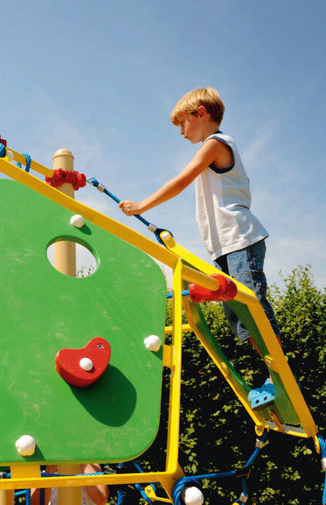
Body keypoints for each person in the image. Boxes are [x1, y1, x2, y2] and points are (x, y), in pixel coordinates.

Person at [118, 87, 280, 405]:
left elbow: (181, 181)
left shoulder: (216, 144)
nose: (181, 132)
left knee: (253, 311)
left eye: (183, 123)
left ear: (201, 113)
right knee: (238, 320)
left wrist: (142, 206)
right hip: (223, 248)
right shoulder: (211, 145)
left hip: (240, 240)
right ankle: (271, 376)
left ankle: (278, 377)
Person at [30, 464, 108, 505]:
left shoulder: (89, 467)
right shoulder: (44, 472)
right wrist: (51, 468)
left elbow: (101, 499)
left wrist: (84, 463)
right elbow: (35, 503)